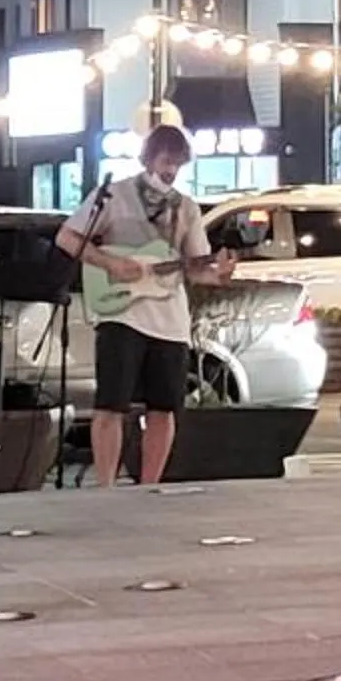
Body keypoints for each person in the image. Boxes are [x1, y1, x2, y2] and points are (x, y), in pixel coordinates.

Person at [56, 123, 223, 486]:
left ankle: (150, 485)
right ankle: (106, 486)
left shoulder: (187, 209)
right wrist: (109, 263)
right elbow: (67, 237)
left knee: (164, 407)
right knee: (110, 404)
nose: (171, 170)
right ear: (148, 157)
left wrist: (218, 274)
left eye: (178, 164)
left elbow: (196, 268)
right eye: (166, 160)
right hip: (122, 313)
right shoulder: (114, 195)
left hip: (170, 318)